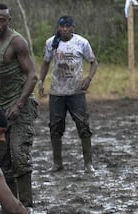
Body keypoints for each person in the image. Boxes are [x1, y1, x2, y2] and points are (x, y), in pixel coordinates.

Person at [0, 4, 39, 214]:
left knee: (19, 154)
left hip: (21, 105)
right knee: (0, 157)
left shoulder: (17, 42)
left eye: (2, 20)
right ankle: (10, 207)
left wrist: (19, 104)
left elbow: (32, 75)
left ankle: (26, 208)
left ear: (9, 21)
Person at [38, 16, 98, 173]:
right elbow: (45, 62)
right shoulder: (51, 42)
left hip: (76, 92)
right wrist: (40, 82)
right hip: (57, 92)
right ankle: (57, 163)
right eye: (61, 26)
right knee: (55, 126)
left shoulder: (81, 43)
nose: (64, 29)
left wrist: (88, 78)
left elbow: (94, 62)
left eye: (68, 26)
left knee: (83, 125)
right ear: (58, 28)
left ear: (73, 28)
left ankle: (88, 164)